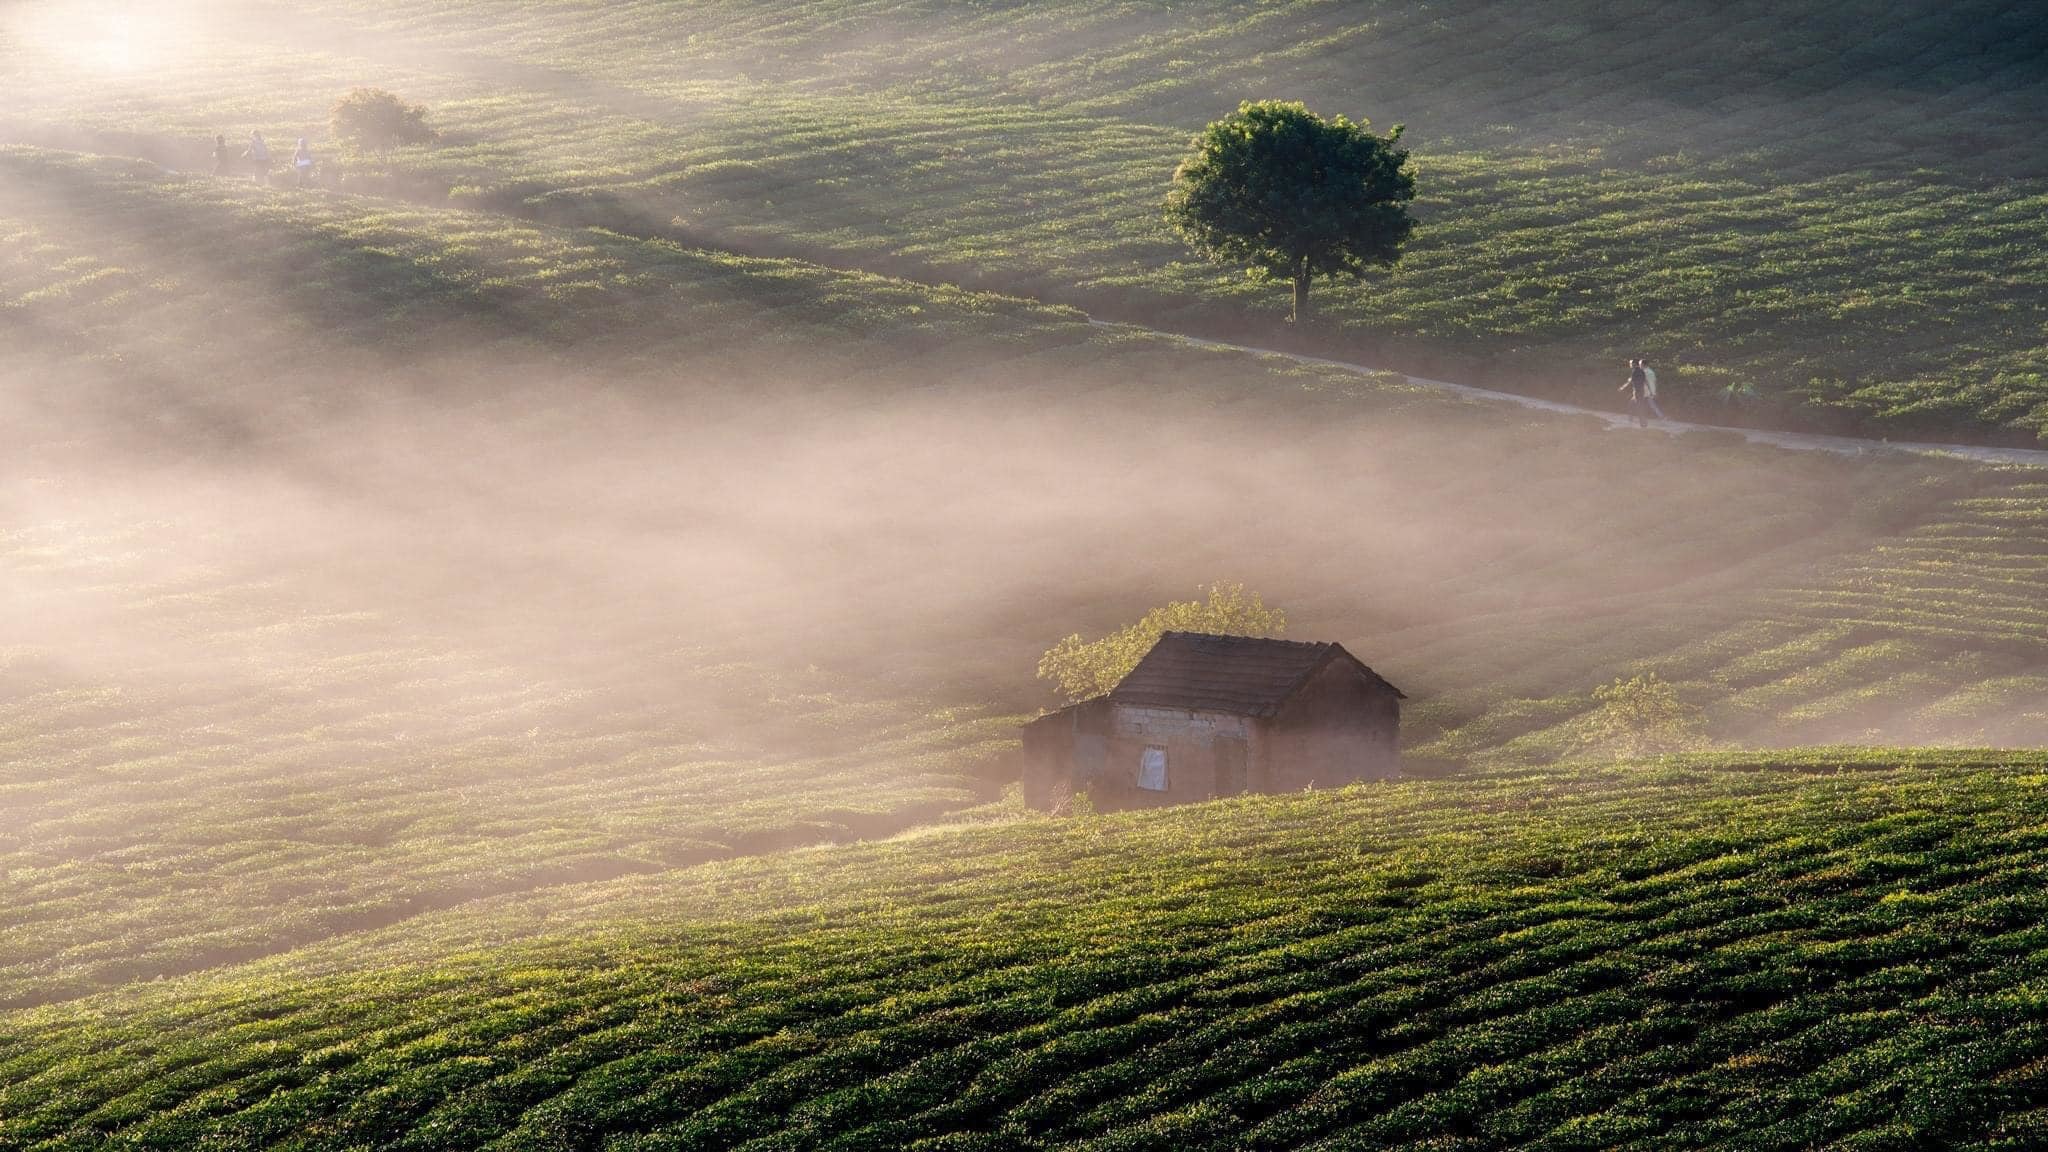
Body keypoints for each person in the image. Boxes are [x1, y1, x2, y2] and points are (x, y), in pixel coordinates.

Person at [1619, 357, 1652, 427]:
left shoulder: (1635, 371)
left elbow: (1630, 382)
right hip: (1641, 392)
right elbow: (1646, 381)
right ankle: (1632, 420)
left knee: (1639, 407)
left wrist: (1622, 388)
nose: (1630, 364)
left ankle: (1643, 424)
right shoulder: (1641, 371)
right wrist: (1650, 390)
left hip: (1637, 392)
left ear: (1634, 364)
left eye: (1631, 363)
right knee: (1631, 405)